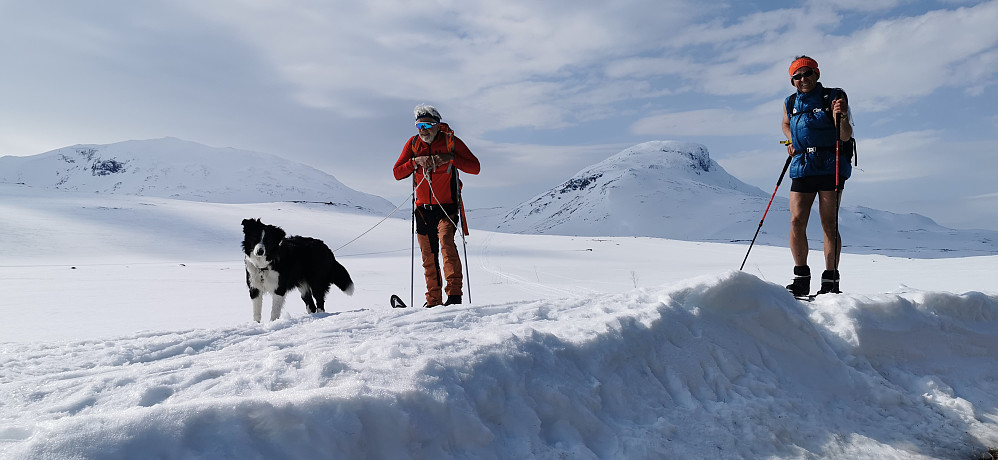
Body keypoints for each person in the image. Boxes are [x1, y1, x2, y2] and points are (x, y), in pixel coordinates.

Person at [393, 104, 481, 307]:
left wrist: (451, 158)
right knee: (428, 256)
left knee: (447, 247)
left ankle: (454, 298)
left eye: (427, 124)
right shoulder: (413, 144)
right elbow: (397, 172)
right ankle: (433, 302)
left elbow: (475, 167)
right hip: (422, 210)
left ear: (437, 124)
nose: (422, 130)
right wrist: (415, 162)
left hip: (447, 207)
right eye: (418, 125)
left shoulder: (451, 143)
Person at [781, 55, 854, 297]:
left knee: (828, 224)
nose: (803, 79)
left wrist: (841, 115)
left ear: (817, 74)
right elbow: (785, 123)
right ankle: (801, 278)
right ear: (792, 81)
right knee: (796, 221)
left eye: (807, 73)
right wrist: (790, 140)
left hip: (830, 164)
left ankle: (830, 281)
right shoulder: (790, 101)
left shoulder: (833, 96)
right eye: (797, 76)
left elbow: (844, 135)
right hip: (802, 165)